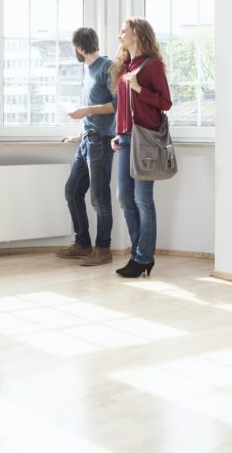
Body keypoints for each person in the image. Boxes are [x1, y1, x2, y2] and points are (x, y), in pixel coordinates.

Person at [110, 17, 172, 278]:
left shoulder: (152, 65)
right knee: (124, 198)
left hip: (145, 140)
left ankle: (143, 257)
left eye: (124, 31)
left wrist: (139, 89)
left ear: (136, 34)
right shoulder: (125, 66)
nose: (120, 35)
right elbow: (123, 106)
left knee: (142, 199)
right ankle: (138, 252)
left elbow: (165, 103)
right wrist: (117, 132)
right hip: (125, 138)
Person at [55, 27, 117, 267]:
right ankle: (82, 243)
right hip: (88, 140)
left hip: (101, 141)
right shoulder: (87, 70)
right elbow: (92, 109)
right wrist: (78, 134)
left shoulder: (107, 67)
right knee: (72, 191)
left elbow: (117, 105)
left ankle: (103, 249)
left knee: (100, 199)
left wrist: (86, 111)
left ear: (79, 48)